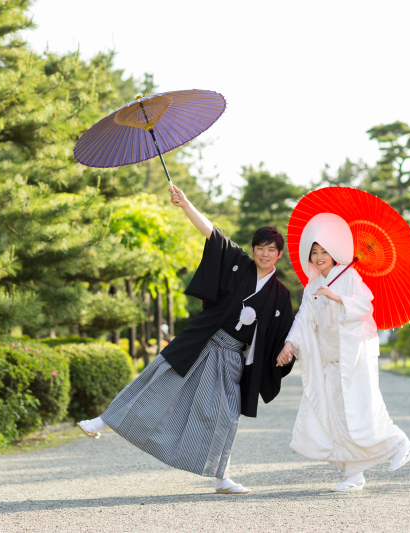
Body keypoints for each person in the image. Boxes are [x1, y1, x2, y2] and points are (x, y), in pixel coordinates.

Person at [78, 184, 295, 494]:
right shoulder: (239, 263)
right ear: (254, 248)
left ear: (279, 254)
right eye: (260, 247)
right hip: (204, 342)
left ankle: (223, 477)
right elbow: (213, 233)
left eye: (271, 250)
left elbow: (287, 330)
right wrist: (185, 205)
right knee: (158, 379)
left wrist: (288, 347)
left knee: (226, 415)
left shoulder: (281, 294)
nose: (264, 253)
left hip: (233, 357)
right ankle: (102, 421)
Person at [278, 213, 410, 492]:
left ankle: (401, 444)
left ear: (334, 253)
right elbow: (304, 318)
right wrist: (289, 343)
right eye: (314, 252)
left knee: (363, 407)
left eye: (324, 251)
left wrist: (338, 298)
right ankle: (354, 474)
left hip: (355, 356)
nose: (319, 257)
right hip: (330, 359)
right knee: (339, 414)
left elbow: (366, 305)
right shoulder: (312, 286)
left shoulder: (349, 275)